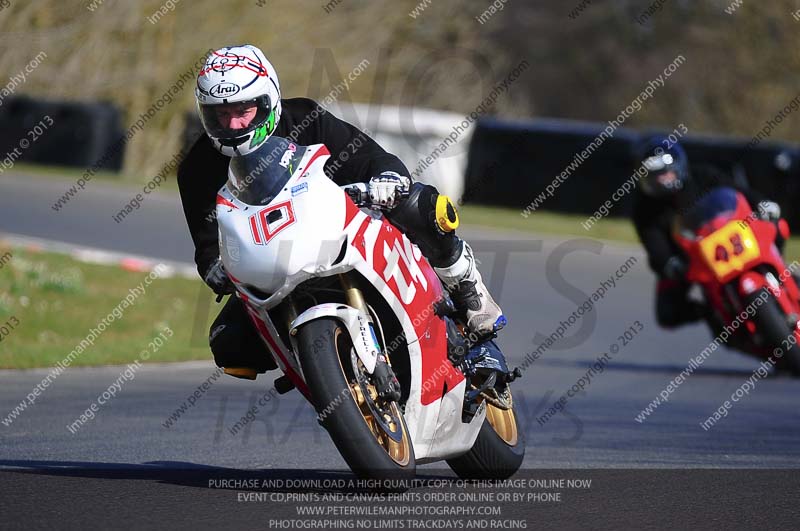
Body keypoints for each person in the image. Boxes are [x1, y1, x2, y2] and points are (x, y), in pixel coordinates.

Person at [177, 44, 506, 379]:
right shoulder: (196, 169)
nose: (233, 123)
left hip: (340, 228)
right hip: (274, 264)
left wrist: (386, 180)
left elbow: (371, 159)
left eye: (242, 110)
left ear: (266, 101)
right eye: (220, 114)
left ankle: (469, 298)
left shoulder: (304, 118)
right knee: (229, 344)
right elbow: (208, 251)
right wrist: (218, 269)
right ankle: (322, 371)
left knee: (422, 205)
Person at [631, 136, 782, 328]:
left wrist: (761, 203)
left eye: (666, 172)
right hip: (689, 258)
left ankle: (781, 274)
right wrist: (669, 264)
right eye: (656, 175)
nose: (663, 178)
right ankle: (714, 313)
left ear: (678, 167)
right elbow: (654, 245)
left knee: (778, 225)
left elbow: (737, 191)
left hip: (732, 236)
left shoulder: (702, 175)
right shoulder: (644, 209)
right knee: (667, 312)